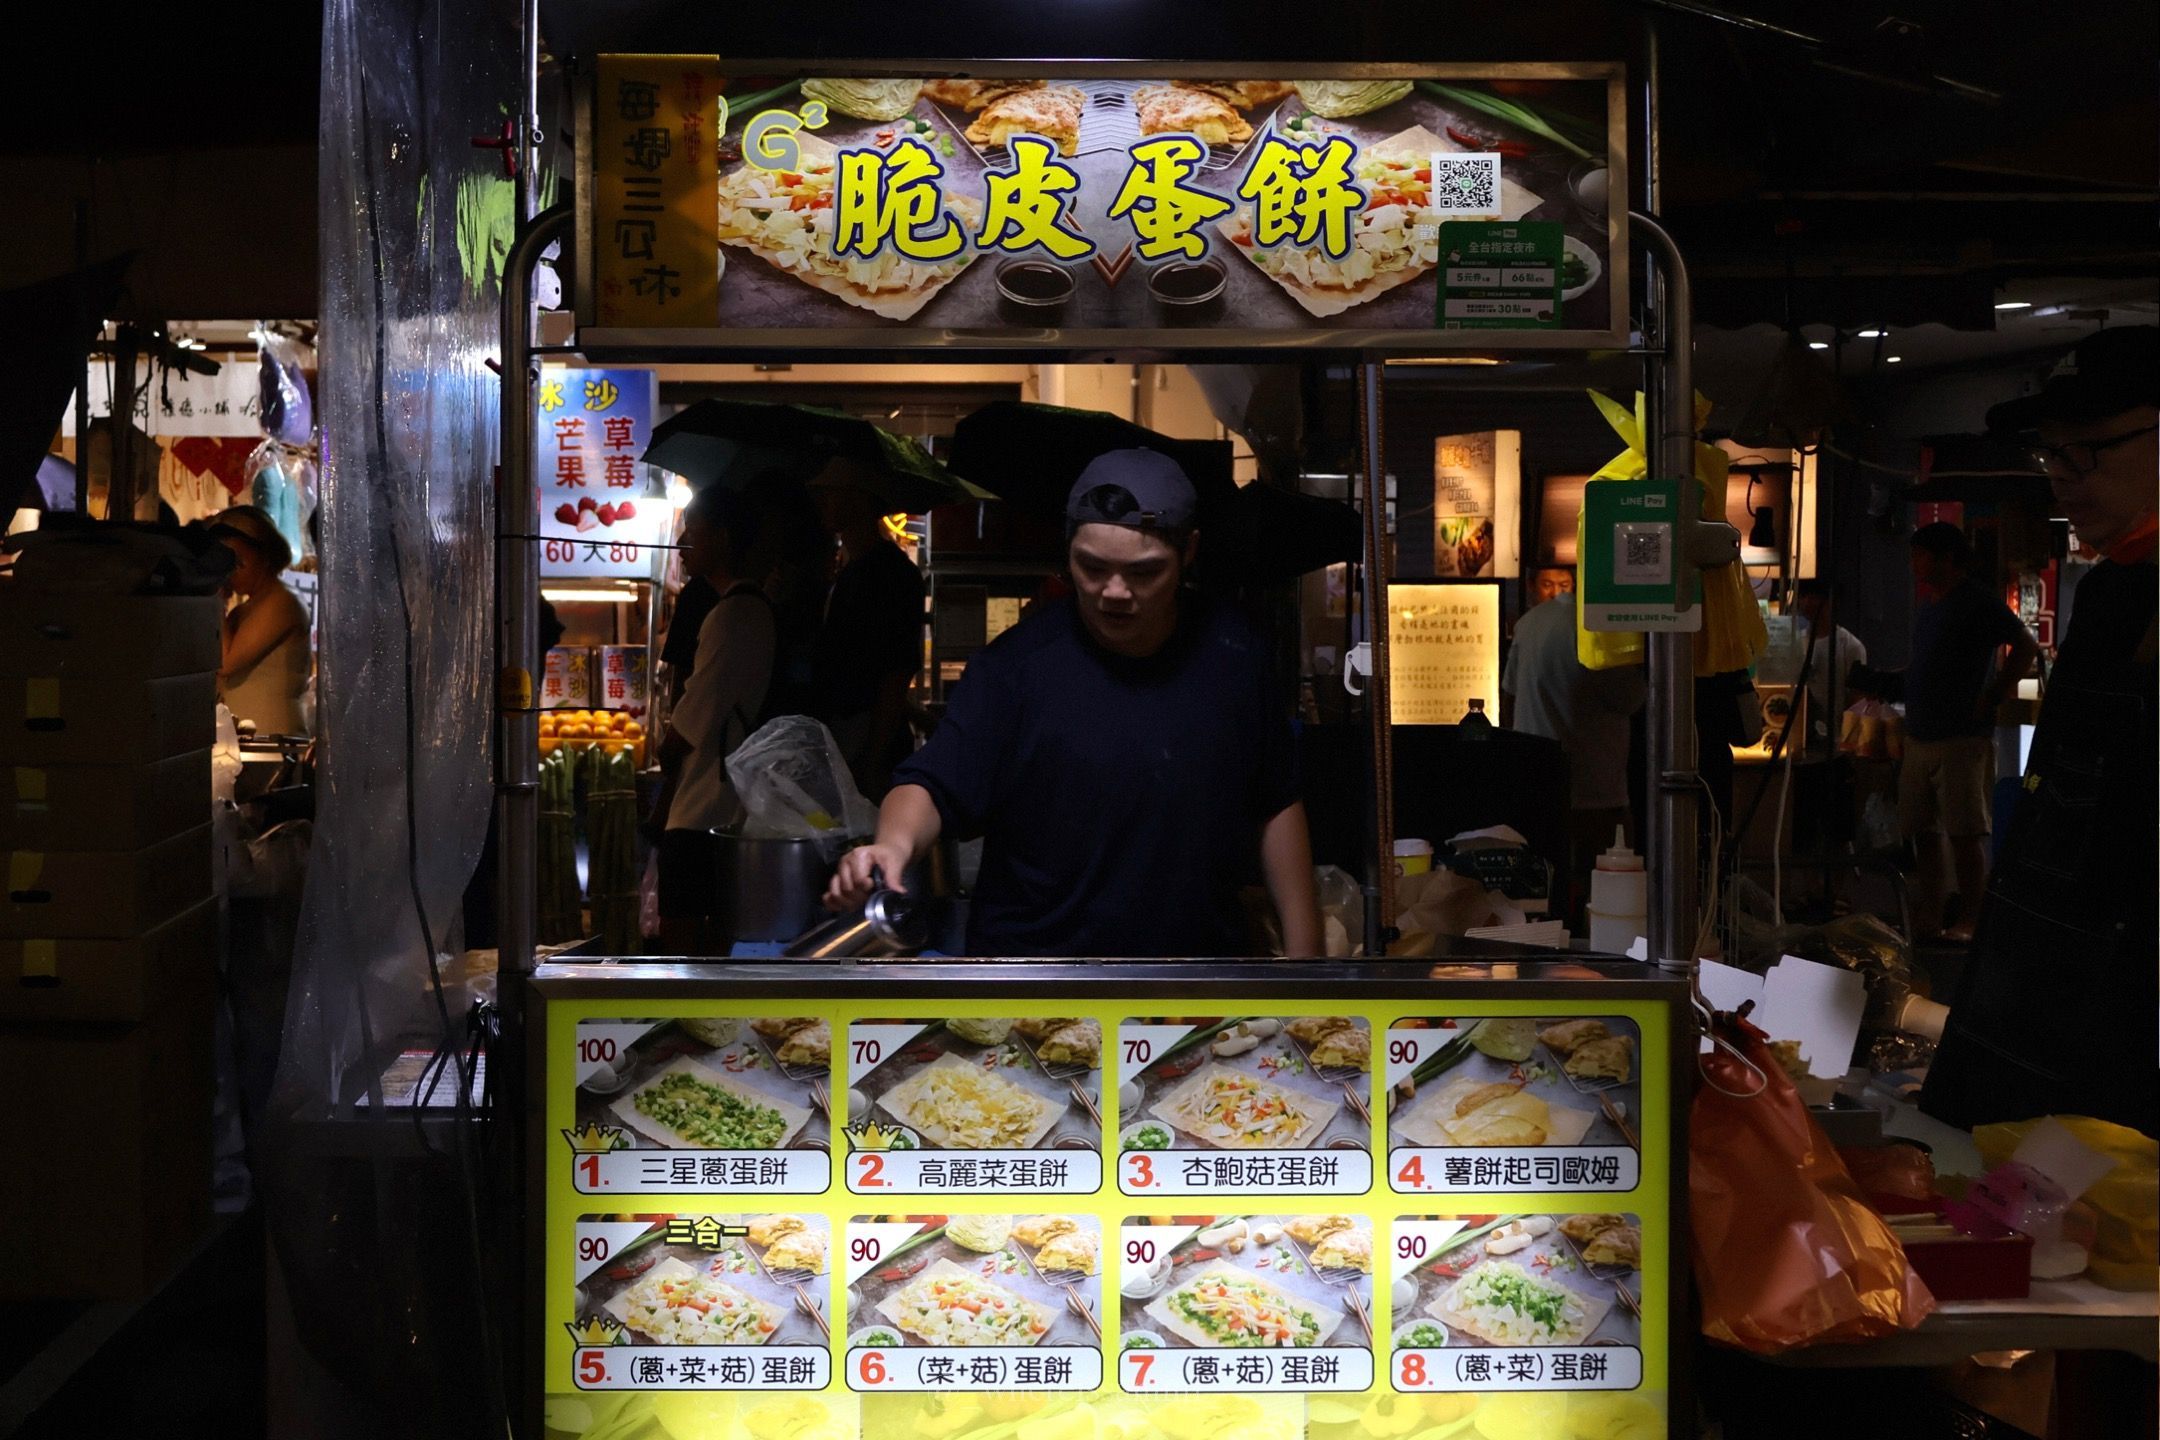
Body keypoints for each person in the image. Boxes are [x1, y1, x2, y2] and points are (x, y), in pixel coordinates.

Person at [824, 448, 1321, 958]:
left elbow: (1276, 800)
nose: (1114, 591)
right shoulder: (1015, 669)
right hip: (1038, 975)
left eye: (1144, 572)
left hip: (1193, 972)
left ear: (1188, 551)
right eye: (1092, 567)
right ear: (1068, 552)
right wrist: (892, 846)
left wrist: (1309, 958)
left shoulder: (1234, 656)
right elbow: (930, 784)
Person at [1924, 326, 2158, 1137]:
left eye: (2088, 451)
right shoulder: (2114, 588)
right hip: (2054, 991)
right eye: (2052, 455)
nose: (2062, 477)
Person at [1865, 523, 2041, 940]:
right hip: (1921, 733)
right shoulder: (1930, 606)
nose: (1914, 564)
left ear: (1946, 558)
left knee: (1964, 833)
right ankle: (1931, 913)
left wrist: (1995, 692)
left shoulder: (1977, 600)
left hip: (1962, 736)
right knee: (1921, 831)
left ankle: (1972, 918)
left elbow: (2026, 644)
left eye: (1921, 555)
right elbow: (1925, 664)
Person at [655, 486, 776, 954]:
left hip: (705, 802)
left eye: (694, 531)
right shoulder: (743, 608)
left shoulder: (736, 613)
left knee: (684, 939)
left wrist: (668, 750)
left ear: (722, 539)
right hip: (719, 796)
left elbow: (694, 716)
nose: (683, 543)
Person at [1501, 592, 1646, 923]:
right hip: (1598, 791)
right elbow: (1632, 700)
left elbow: (1508, 697)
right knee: (1607, 900)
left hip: (1536, 787)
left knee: (1542, 896)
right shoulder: (1605, 627)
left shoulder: (1531, 621)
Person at [807, 458, 924, 800]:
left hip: (865, 746)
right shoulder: (851, 570)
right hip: (853, 742)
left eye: (832, 494)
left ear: (859, 499)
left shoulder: (886, 573)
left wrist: (873, 759)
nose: (823, 503)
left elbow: (894, 671)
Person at [208, 504, 312, 736]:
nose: (232, 571)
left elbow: (225, 663)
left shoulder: (282, 600)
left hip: (275, 738)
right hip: (248, 738)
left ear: (264, 554)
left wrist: (217, 600)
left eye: (240, 561)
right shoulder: (241, 611)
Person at [1790, 580, 1866, 757]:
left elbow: (1857, 699)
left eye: (1813, 597)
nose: (1807, 602)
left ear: (1830, 601)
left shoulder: (1850, 646)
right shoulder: (1796, 643)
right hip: (1800, 739)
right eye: (1803, 596)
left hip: (1837, 742)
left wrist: (1849, 743)